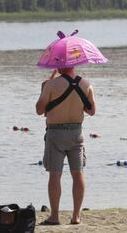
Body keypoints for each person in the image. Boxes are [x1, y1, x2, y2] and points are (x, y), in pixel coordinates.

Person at [35, 67, 95, 225]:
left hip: (55, 133)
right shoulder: (86, 83)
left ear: (60, 64)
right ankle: (76, 216)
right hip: (76, 132)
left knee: (55, 175)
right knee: (78, 173)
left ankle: (55, 216)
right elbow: (91, 111)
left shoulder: (51, 85)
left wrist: (43, 89)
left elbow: (39, 110)